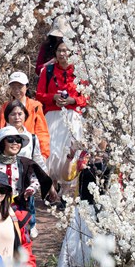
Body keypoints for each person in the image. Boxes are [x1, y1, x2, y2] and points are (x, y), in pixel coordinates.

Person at [0, 126, 55, 236]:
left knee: (20, 239)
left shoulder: (25, 163)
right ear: (2, 143)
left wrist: (31, 189)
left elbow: (35, 179)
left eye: (18, 140)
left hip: (18, 207)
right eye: (10, 140)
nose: (15, 143)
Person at [36, 40, 88, 185]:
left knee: (70, 151)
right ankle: (50, 185)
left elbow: (85, 98)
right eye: (59, 50)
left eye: (65, 51)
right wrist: (53, 97)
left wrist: (72, 100)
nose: (62, 54)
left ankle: (67, 186)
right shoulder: (48, 71)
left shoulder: (80, 73)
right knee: (51, 151)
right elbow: (39, 95)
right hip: (53, 115)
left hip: (72, 116)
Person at [0, 72, 50, 159]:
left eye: (20, 87)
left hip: (27, 151)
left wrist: (44, 154)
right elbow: (0, 132)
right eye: (13, 87)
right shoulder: (6, 106)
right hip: (8, 150)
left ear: (27, 87)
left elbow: (42, 132)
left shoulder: (35, 106)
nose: (16, 90)